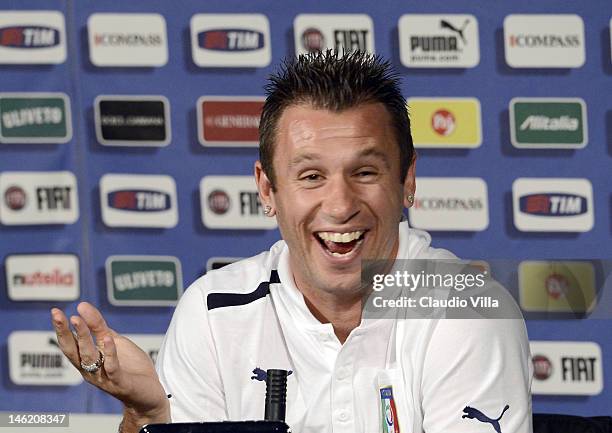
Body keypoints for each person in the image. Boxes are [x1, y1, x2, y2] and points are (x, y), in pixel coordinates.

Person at [51, 50, 532, 433]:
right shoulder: (213, 313)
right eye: (311, 176)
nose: (340, 205)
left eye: (365, 172)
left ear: (407, 180)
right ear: (267, 189)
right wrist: (147, 420)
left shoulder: (468, 309)